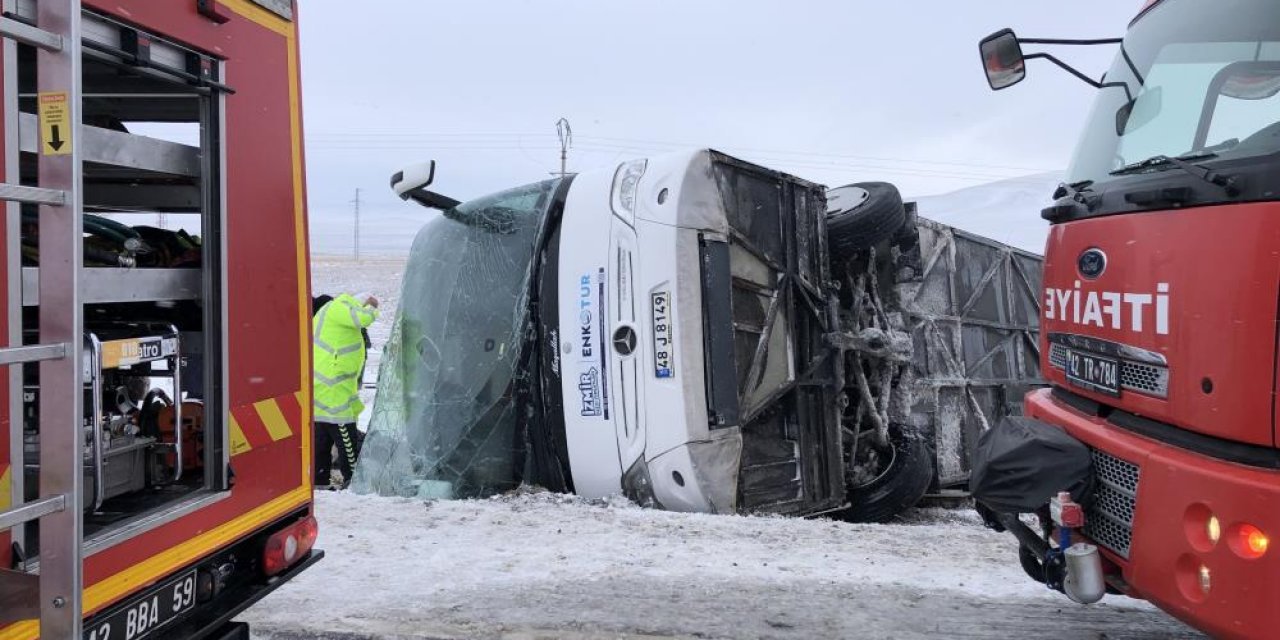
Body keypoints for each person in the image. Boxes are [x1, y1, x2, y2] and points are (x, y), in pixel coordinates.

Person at [312, 292, 379, 488]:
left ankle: (320, 481)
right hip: (335, 391)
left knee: (322, 441)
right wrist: (372, 307)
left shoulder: (325, 316)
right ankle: (352, 480)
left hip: (326, 388)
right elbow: (364, 318)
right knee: (345, 440)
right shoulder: (338, 308)